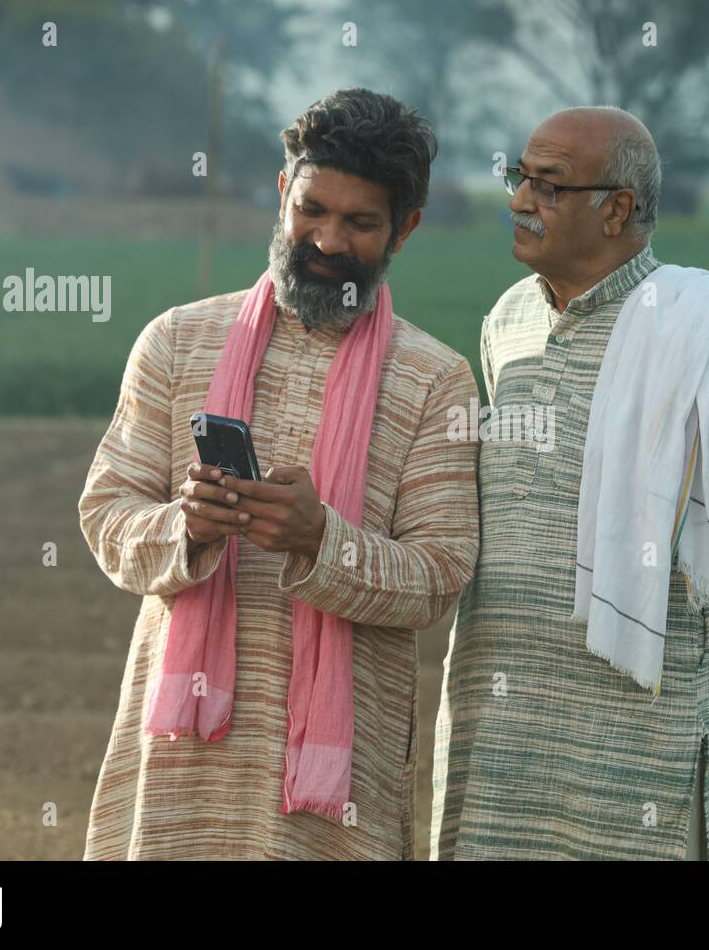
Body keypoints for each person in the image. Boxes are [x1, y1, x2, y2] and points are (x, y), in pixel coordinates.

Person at [430, 106, 709, 860]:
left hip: (635, 743)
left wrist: (679, 636)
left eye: (548, 185)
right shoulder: (507, 321)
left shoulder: (702, 337)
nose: (519, 199)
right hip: (500, 731)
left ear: (616, 207)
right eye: (519, 177)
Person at [79, 88, 479, 860]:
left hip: (335, 775)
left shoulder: (435, 380)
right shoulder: (176, 341)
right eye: (311, 210)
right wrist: (184, 525)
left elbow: (439, 575)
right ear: (280, 195)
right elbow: (105, 515)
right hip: (180, 760)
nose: (327, 240)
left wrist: (320, 539)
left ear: (407, 228)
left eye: (360, 223)